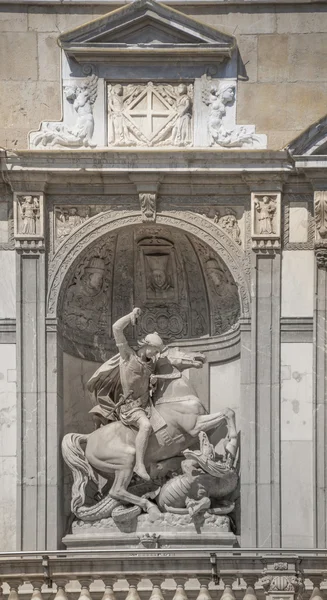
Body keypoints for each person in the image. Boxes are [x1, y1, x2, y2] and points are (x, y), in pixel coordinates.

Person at [112, 308, 165, 481]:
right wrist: (130, 316)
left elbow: (147, 384)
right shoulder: (128, 356)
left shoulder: (151, 365)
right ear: (146, 345)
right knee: (146, 426)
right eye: (154, 350)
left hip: (146, 405)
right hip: (131, 407)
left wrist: (153, 383)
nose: (156, 354)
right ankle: (139, 465)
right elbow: (116, 328)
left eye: (157, 352)